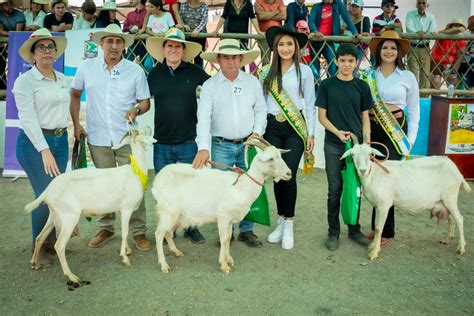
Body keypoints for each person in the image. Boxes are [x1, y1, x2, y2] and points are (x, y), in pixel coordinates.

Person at [70, 24, 152, 251]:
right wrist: (77, 124)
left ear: (124, 45)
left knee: (134, 186)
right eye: (109, 41)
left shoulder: (135, 71)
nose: (114, 46)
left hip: (127, 139)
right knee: (104, 185)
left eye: (118, 42)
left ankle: (138, 231)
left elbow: (145, 102)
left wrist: (136, 109)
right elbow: (75, 94)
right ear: (101, 44)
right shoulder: (86, 68)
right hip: (98, 138)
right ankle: (106, 227)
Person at [192, 39, 266, 247]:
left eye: (235, 57)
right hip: (221, 145)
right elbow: (204, 117)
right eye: (226, 57)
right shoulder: (209, 86)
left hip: (248, 145)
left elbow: (260, 110)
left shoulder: (252, 83)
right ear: (219, 60)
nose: (231, 61)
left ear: (241, 59)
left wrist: (257, 134)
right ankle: (227, 232)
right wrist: (203, 148)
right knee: (224, 190)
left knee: (249, 189)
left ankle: (247, 230)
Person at [146, 28, 209, 243]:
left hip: (188, 141)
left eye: (178, 46)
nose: (173, 49)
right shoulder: (154, 74)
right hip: (161, 142)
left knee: (191, 187)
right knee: (165, 189)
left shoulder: (195, 72)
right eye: (170, 45)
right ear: (163, 49)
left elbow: (215, 91)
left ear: (183, 50)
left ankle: (190, 227)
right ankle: (167, 228)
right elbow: (141, 100)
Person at [13, 28, 69, 268]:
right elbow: (28, 119)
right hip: (34, 145)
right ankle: (39, 247)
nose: (47, 51)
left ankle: (52, 240)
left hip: (60, 140)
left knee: (57, 193)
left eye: (50, 48)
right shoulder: (24, 82)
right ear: (33, 54)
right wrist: (44, 150)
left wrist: (75, 129)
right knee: (45, 196)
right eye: (41, 48)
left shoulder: (62, 78)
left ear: (55, 53)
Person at [258, 25, 315, 250]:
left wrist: (310, 133)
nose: (285, 48)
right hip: (271, 128)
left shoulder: (306, 71)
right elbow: (261, 106)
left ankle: (289, 224)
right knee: (276, 176)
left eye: (289, 44)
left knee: (288, 174)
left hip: (294, 127)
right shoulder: (264, 72)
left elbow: (310, 104)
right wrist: (260, 131)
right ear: (274, 47)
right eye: (281, 44)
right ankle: (281, 221)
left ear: (296, 47)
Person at [363, 30, 420, 247]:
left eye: (393, 48)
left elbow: (414, 109)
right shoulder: (368, 74)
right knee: (371, 177)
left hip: (396, 129)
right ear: (378, 50)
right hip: (372, 129)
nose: (389, 51)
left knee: (388, 178)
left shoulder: (407, 77)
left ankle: (387, 230)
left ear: (399, 52)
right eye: (385, 47)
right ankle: (373, 227)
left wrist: (410, 139)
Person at [317, 43, 372, 251]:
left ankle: (354, 228)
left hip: (357, 148)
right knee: (334, 189)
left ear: (356, 62)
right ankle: (333, 231)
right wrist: (337, 132)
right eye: (342, 61)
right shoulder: (327, 85)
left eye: (351, 61)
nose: (346, 65)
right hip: (334, 145)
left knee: (354, 188)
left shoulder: (362, 86)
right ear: (336, 62)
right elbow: (322, 117)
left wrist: (365, 142)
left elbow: (365, 118)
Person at [308, 0, 361, 77]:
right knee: (315, 66)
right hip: (316, 40)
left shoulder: (338, 4)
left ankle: (331, 85)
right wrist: (315, 31)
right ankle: (316, 87)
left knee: (333, 63)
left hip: (329, 41)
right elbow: (311, 21)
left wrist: (355, 32)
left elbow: (347, 18)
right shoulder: (316, 6)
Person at [406, 0, 436, 90]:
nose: (421, 5)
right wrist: (417, 33)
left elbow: (432, 31)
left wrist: (422, 34)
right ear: (416, 4)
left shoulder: (431, 17)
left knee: (425, 75)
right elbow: (409, 28)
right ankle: (413, 99)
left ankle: (423, 100)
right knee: (413, 74)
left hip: (425, 48)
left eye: (423, 3)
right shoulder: (410, 14)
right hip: (412, 47)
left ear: (427, 4)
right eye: (419, 3)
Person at [431, 18, 467, 89]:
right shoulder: (443, 34)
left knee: (452, 84)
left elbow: (459, 57)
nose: (457, 27)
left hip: (449, 64)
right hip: (437, 62)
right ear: (450, 26)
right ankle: (436, 100)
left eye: (458, 25)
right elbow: (440, 33)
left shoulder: (461, 39)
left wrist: (454, 70)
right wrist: (457, 29)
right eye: (455, 25)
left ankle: (450, 99)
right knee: (436, 83)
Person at [0, 0, 25, 89]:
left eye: (11, 3)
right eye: (7, 4)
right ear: (1, 6)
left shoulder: (19, 14)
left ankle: (17, 87)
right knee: (1, 65)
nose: (10, 6)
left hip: (18, 43)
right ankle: (3, 88)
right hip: (3, 44)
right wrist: (8, 33)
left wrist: (5, 32)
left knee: (16, 65)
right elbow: (0, 31)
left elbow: (17, 32)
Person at [254, 0, 286, 66]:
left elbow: (283, 16)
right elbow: (261, 16)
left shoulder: (280, 1)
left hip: (278, 35)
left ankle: (278, 76)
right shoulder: (258, 2)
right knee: (265, 61)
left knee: (279, 60)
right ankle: (266, 76)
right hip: (264, 35)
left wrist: (267, 15)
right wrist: (276, 12)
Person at [179, 0, 208, 68]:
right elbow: (180, 18)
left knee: (199, 59)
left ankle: (200, 77)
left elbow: (204, 20)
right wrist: (183, 25)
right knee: (185, 59)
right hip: (186, 37)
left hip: (200, 36)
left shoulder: (204, 5)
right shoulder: (183, 5)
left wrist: (197, 30)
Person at [349, 0, 370, 64]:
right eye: (352, 6)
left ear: (361, 9)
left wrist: (357, 35)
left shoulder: (365, 19)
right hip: (349, 46)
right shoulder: (350, 20)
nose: (354, 9)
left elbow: (366, 33)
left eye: (356, 7)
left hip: (359, 47)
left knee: (355, 66)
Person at [459, 15, 474, 89]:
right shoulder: (466, 35)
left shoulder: (465, 34)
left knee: (468, 85)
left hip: (465, 63)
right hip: (467, 63)